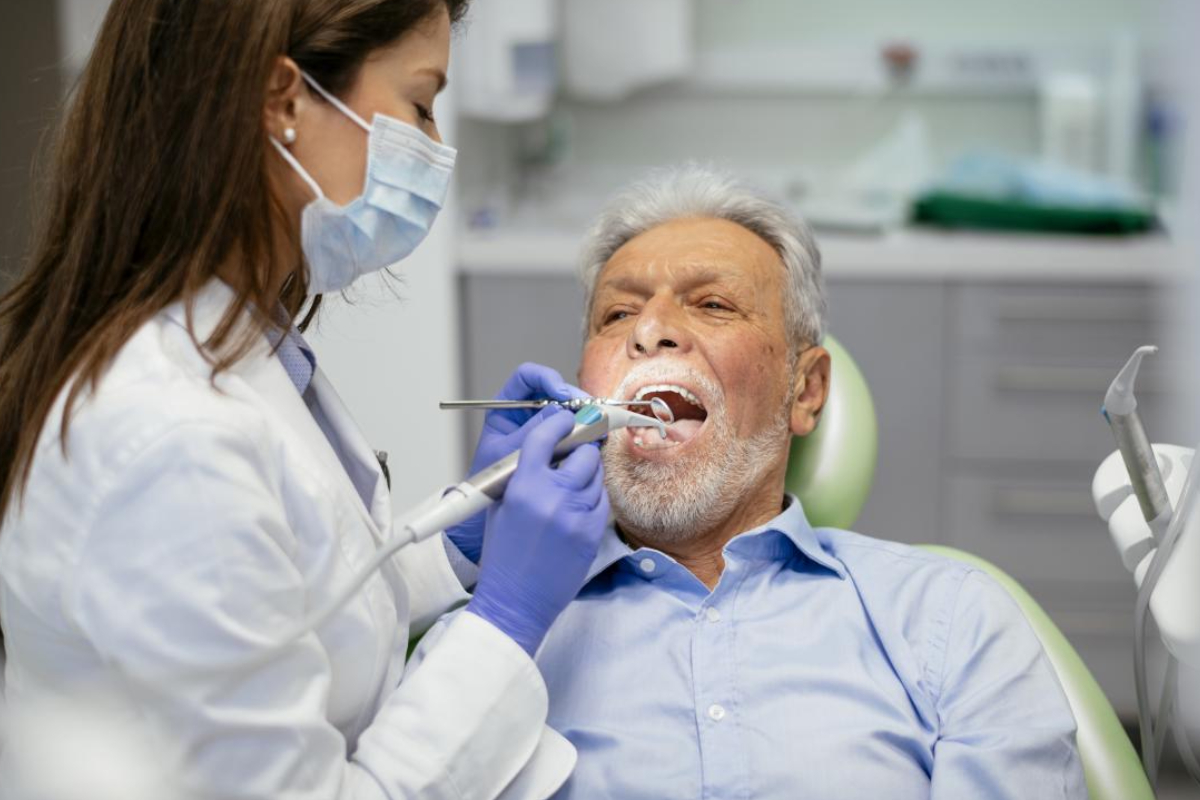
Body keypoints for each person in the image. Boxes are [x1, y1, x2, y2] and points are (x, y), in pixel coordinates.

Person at [0, 2, 604, 798]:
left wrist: (464, 544)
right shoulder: (164, 438)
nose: (432, 150)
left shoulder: (243, 344)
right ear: (284, 101)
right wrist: (505, 622)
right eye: (420, 105)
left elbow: (305, 603)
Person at [420, 164, 1088, 799]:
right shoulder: (486, 646)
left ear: (806, 390)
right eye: (618, 316)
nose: (650, 332)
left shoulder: (954, 621)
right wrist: (499, 626)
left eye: (712, 304)